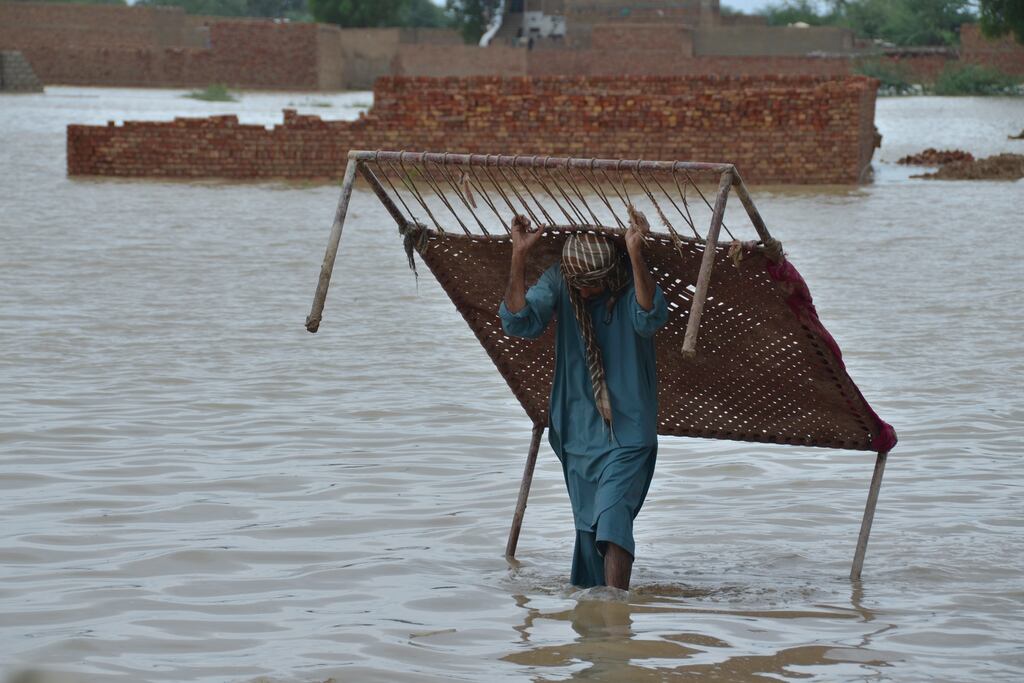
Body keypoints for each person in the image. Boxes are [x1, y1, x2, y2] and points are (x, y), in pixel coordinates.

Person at [498, 209, 669, 590]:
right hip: (576, 430)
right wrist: (519, 255)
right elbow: (518, 321)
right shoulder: (562, 280)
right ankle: (597, 628)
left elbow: (649, 317)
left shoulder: (628, 286)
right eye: (578, 284)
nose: (584, 291)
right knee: (587, 531)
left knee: (610, 519)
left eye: (592, 285)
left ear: (610, 276)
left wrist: (636, 254)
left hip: (629, 431)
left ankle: (614, 613)